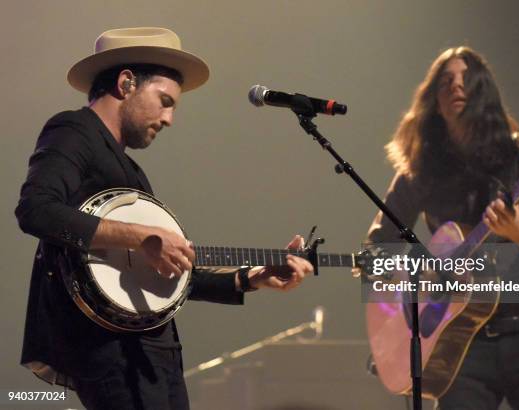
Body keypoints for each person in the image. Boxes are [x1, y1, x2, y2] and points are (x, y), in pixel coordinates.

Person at [15, 27, 313, 410]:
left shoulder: (132, 174)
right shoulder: (73, 131)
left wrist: (248, 278)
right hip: (111, 351)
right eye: (164, 101)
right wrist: (140, 237)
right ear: (126, 83)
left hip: (154, 353)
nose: (169, 118)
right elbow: (36, 210)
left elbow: (154, 275)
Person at [367, 47, 519, 409]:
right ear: (434, 101)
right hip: (459, 347)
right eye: (446, 82)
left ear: (485, 93)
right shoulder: (421, 169)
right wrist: (423, 275)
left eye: (467, 81)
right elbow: (376, 251)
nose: (456, 87)